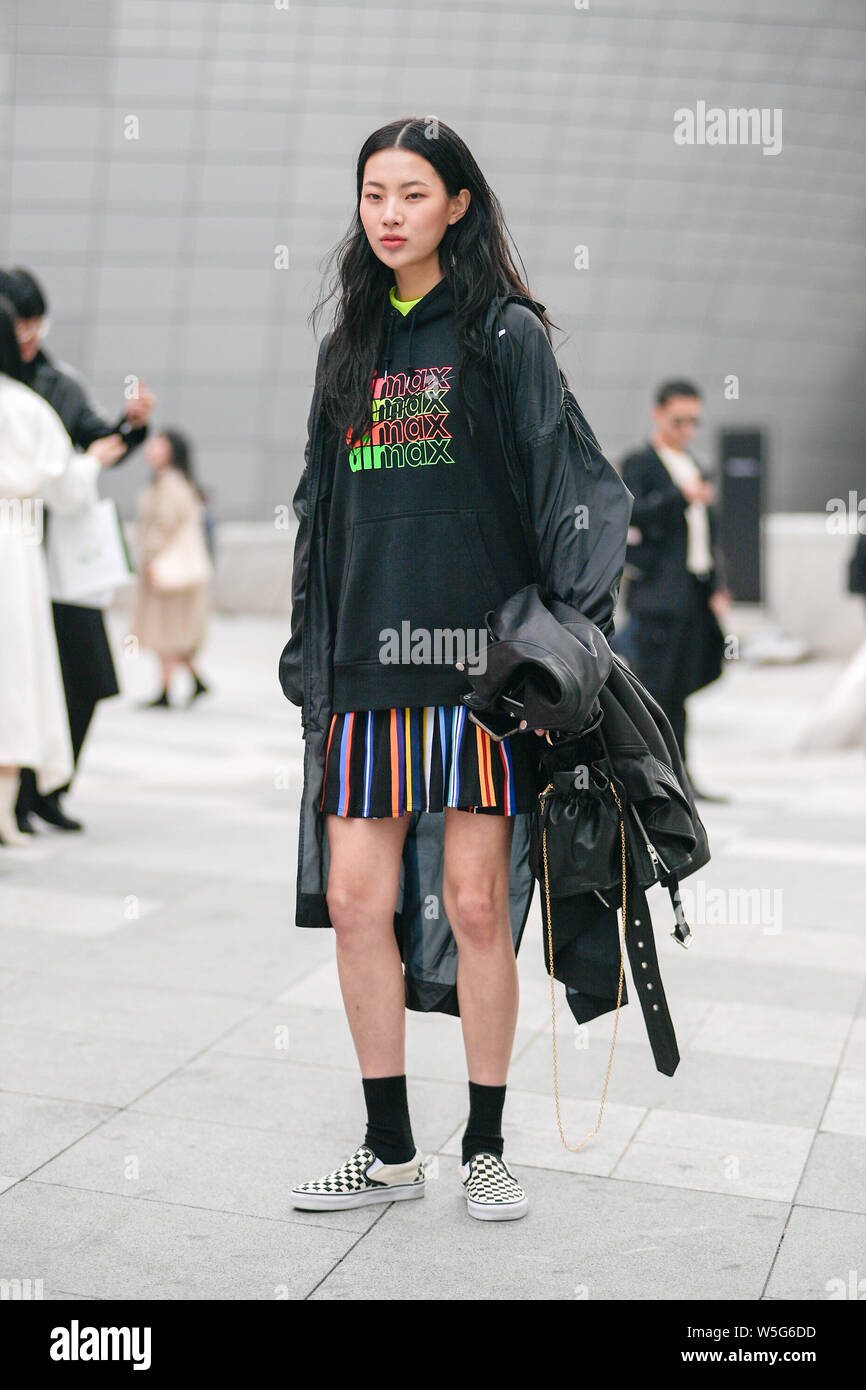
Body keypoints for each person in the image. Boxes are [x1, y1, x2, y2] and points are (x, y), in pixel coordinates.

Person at [281, 117, 632, 1221]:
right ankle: (389, 1147)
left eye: (413, 193)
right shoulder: (349, 347)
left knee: (478, 906)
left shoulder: (501, 335)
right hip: (364, 675)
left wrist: (564, 653)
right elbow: (317, 517)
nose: (389, 213)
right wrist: (309, 660)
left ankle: (482, 1142)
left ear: (457, 205)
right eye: (374, 194)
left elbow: (574, 491)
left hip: (476, 680)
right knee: (354, 903)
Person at [0, 268, 155, 834]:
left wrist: (131, 427)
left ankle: (48, 788)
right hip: (19, 550)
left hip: (62, 547)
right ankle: (14, 797)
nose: (30, 334)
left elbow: (95, 439)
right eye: (20, 323)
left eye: (38, 322)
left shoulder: (56, 384)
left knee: (83, 672)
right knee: (19, 673)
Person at [617, 380, 732, 800]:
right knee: (656, 692)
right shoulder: (642, 463)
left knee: (682, 689)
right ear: (658, 413)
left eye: (693, 422)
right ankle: (652, 781)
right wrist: (680, 497)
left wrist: (716, 583)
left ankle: (681, 779)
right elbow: (632, 513)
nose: (686, 429)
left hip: (694, 595)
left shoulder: (691, 463)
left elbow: (705, 534)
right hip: (659, 599)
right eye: (678, 420)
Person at [129, 429, 212, 708]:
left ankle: (165, 692)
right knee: (174, 630)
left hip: (169, 570)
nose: (151, 449)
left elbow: (164, 525)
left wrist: (150, 557)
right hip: (178, 570)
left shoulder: (170, 483)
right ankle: (194, 681)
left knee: (167, 630)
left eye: (158, 444)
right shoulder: (172, 481)